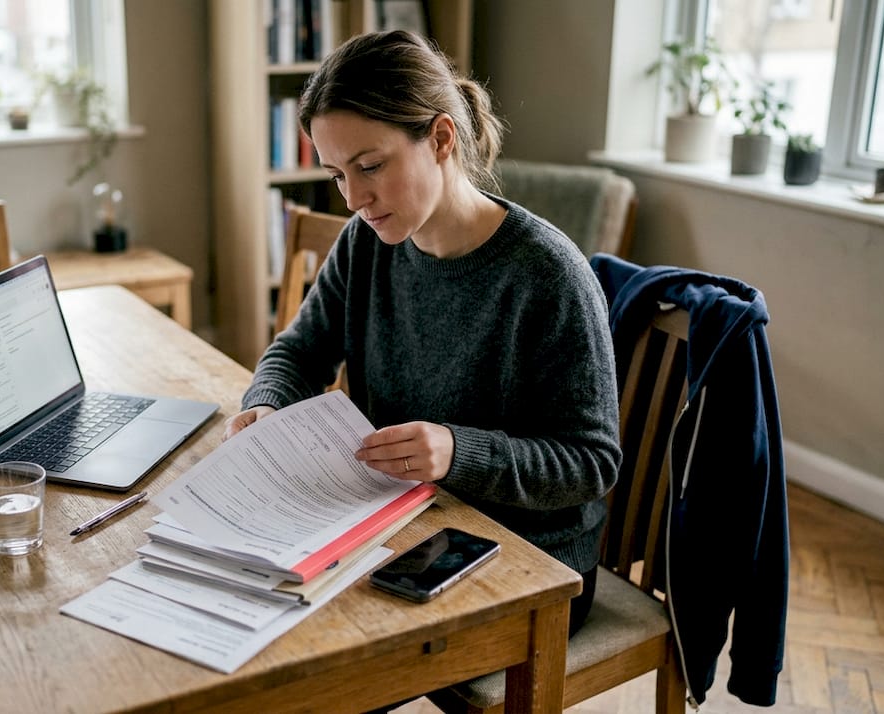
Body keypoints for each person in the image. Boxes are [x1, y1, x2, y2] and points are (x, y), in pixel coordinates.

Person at [223, 30, 620, 635]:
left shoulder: (547, 275)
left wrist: (458, 452)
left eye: (371, 166)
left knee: (318, 647)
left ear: (440, 137)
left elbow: (590, 463)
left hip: (532, 560)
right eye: (336, 175)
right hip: (403, 516)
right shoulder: (368, 242)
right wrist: (267, 403)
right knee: (252, 606)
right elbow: (301, 350)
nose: (354, 198)